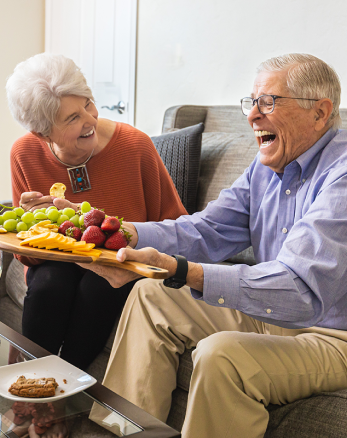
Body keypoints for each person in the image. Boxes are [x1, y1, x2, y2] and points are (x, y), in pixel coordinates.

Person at [82, 53, 347, 438]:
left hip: (332, 335)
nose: (253, 115)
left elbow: (301, 290)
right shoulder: (264, 167)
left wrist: (183, 271)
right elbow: (206, 231)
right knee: (151, 295)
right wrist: (120, 234)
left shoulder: (341, 177)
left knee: (221, 355)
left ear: (320, 113)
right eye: (251, 101)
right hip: (276, 314)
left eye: (268, 102)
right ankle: (126, 433)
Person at [6, 52, 187, 371]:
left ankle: (59, 394)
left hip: (124, 260)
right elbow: (29, 257)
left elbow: (176, 225)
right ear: (44, 133)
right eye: (72, 118)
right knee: (49, 284)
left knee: (100, 284)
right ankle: (33, 388)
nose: (89, 120)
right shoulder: (25, 153)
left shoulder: (135, 145)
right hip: (58, 259)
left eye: (88, 103)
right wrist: (32, 231)